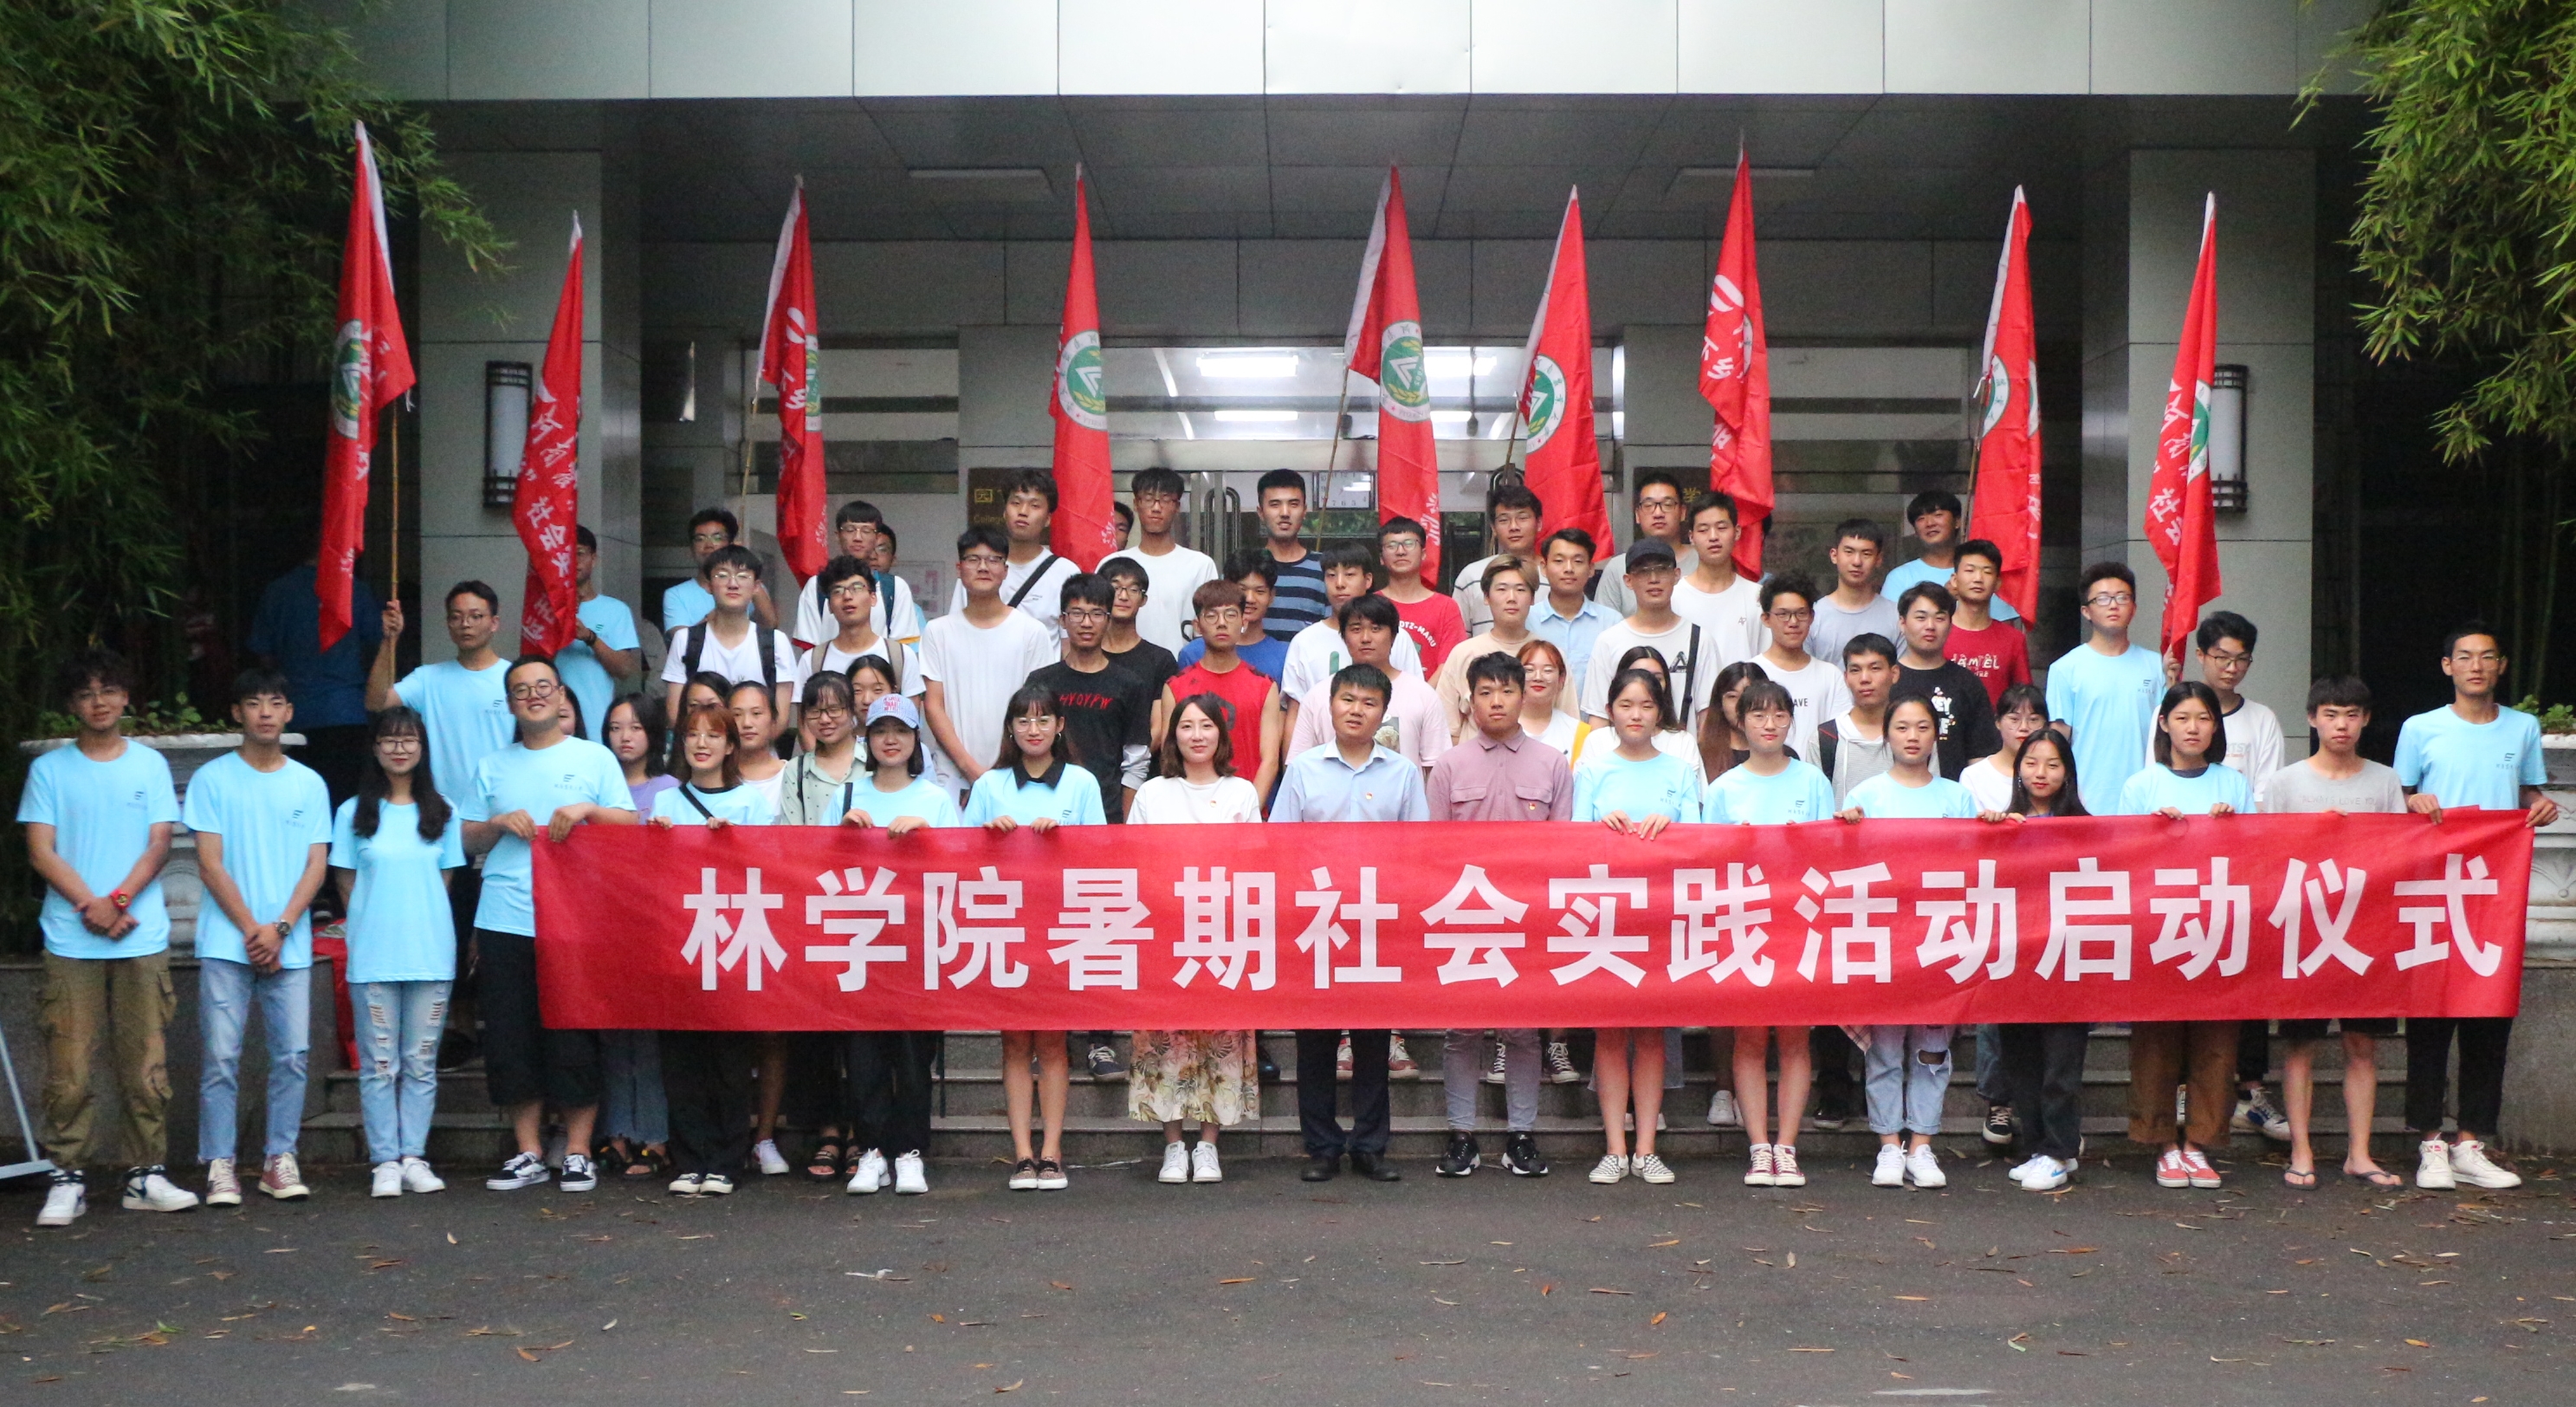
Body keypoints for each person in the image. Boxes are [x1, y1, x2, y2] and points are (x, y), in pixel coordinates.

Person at [23, 651, 199, 1227]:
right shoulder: (50, 771)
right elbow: (41, 850)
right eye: (86, 693)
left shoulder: (149, 765)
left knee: (145, 1063)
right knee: (69, 1065)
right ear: (72, 705)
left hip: (138, 936)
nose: (99, 702)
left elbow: (159, 843)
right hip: (71, 938)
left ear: (126, 698)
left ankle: (144, 1174)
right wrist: (92, 906)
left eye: (109, 691)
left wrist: (117, 902)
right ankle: (67, 1175)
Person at [461, 655, 638, 1194]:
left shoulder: (594, 757)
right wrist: (497, 823)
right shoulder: (492, 765)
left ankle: (579, 1150)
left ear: (562, 695)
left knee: (574, 1033)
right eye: (522, 690)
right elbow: (466, 838)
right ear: (511, 704)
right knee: (511, 1035)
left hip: (574, 916)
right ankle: (529, 1150)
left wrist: (587, 811)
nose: (534, 695)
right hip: (505, 916)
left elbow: (629, 824)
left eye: (543, 686)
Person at [2395, 621, 2559, 1191]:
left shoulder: (2522, 727)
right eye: (2464, 656)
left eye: (2487, 657)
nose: (2476, 666)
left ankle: (2471, 1143)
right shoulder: (2420, 728)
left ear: (2501, 666)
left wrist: (2540, 805)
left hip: (2494, 891)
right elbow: (2398, 798)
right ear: (2448, 666)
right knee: (2430, 1017)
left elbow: (2528, 792)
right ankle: (2429, 1142)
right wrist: (2413, 801)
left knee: (2490, 1014)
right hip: (2433, 890)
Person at [1273, 664, 1428, 1185]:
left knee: (1372, 1041)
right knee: (1315, 1042)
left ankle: (1369, 1145)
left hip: (1377, 920)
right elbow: (1280, 847)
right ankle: (1320, 1146)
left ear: (1383, 713)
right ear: (1330, 705)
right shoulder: (1303, 770)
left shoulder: (1403, 773)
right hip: (1315, 918)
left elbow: (1417, 850)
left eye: (1368, 702)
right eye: (1347, 700)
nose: (1356, 710)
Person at [185, 668, 333, 1206]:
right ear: (237, 713)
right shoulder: (212, 779)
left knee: (292, 1054)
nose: (265, 713)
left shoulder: (309, 783)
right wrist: (254, 930)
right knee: (221, 1057)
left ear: (289, 711)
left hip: (288, 941)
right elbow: (209, 863)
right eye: (253, 702)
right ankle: (219, 1163)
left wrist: (282, 928)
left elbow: (316, 866)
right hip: (228, 942)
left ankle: (279, 1158)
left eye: (275, 702)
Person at [1421, 652, 1570, 1179]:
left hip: (1528, 916)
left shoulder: (1553, 763)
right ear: (1470, 701)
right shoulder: (1449, 765)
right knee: (1462, 1030)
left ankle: (1521, 1136)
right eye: (1485, 692)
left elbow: (1564, 849)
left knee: (1523, 1031)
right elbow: (1432, 850)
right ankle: (1461, 1135)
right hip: (1465, 913)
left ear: (1523, 696)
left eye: (1507, 690)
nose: (1497, 701)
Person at [2256, 675, 2407, 1191]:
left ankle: (2359, 1153)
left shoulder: (2385, 781)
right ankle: (2301, 1150)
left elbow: (2400, 853)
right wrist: (2311, 833)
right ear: (2312, 719)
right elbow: (2265, 854)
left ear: (2365, 720)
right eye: (2331, 714)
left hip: (2365, 926)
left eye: (2351, 714)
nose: (2341, 724)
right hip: (2304, 927)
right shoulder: (2285, 783)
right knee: (2301, 1044)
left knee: (2362, 1043)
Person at [964, 686, 1107, 1191]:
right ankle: (1022, 1153)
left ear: (1060, 726)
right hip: (1005, 925)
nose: (1033, 729)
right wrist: (988, 835)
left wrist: (1065, 840)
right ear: (1010, 727)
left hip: (1061, 925)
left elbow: (1103, 855)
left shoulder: (1082, 783)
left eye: (1044, 719)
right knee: (1013, 1041)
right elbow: (959, 857)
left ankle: (1052, 1152)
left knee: (1052, 1040)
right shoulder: (990, 784)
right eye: (1023, 720)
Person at [1835, 694, 1978, 1190]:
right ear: (1887, 735)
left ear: (1936, 734)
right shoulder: (1867, 794)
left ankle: (1922, 1144)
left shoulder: (1957, 797)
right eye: (1901, 727)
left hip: (1940, 933)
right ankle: (1888, 1143)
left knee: (1932, 1048)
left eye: (1922, 726)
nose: (1912, 736)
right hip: (1886, 936)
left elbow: (1974, 865)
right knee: (1886, 1045)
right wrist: (1847, 829)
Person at [2116, 681, 2254, 1190]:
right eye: (2182, 718)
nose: (2193, 728)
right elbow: (2122, 859)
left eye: (2203, 718)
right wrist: (2152, 832)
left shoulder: (2233, 785)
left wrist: (2232, 828)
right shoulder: (2141, 786)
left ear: (2216, 727)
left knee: (2216, 1040)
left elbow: (2256, 856)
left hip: (2218, 926)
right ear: (2164, 724)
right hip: (2159, 927)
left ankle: (2199, 1143)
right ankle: (2162, 1144)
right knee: (2156, 1039)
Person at [1571, 667, 1702, 1186]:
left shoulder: (1680, 769)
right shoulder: (1592, 768)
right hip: (1608, 913)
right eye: (1626, 705)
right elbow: (1573, 844)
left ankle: (1646, 1149)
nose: (1636, 715)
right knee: (1610, 1032)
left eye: (1646, 706)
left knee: (1651, 1033)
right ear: (1610, 711)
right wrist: (1600, 831)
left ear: (1660, 713)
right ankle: (1614, 1148)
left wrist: (1672, 828)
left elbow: (1699, 841)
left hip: (1662, 914)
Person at [331, 707, 467, 1199]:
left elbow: (445, 880)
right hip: (373, 955)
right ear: (375, 748)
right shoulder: (353, 813)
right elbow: (346, 882)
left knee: (421, 1060)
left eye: (409, 739)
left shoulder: (444, 812)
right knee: (379, 1063)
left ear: (422, 748)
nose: (399, 748)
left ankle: (414, 1156)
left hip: (430, 953)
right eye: (389, 739)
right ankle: (384, 1160)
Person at [1704, 678, 1835, 1187]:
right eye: (1758, 715)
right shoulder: (1724, 788)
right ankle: (1759, 1146)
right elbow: (1705, 863)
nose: (1769, 724)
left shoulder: (1812, 782)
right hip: (1745, 923)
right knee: (1751, 1036)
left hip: (1800, 923)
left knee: (1796, 1037)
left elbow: (1829, 855)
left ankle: (1788, 1146)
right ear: (1741, 722)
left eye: (1779, 715)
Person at [1126, 695, 1263, 1184]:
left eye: (1207, 726)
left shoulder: (1241, 792)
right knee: (1165, 1039)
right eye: (1186, 726)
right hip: (1165, 929)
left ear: (1221, 735)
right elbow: (1133, 860)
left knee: (1221, 1036)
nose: (1197, 735)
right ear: (1173, 736)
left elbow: (1255, 861)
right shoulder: (1153, 793)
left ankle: (1208, 1145)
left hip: (1223, 930)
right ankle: (1172, 1145)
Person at [646, 703, 776, 1197]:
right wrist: (653, 843)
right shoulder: (665, 802)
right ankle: (689, 1158)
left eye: (713, 735)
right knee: (681, 1059)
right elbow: (647, 878)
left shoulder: (750, 803)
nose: (701, 744)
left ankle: (727, 1158)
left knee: (729, 1059)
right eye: (692, 735)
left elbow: (772, 870)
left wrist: (737, 845)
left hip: (733, 943)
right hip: (678, 943)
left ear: (729, 746)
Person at [838, 696, 963, 1197]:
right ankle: (871, 1150)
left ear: (915, 740)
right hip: (859, 943)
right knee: (863, 1056)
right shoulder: (847, 794)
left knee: (913, 1056)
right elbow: (815, 865)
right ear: (866, 739)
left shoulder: (934, 799)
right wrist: (842, 834)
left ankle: (909, 1151)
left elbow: (959, 868)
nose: (890, 740)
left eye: (901, 731)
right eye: (880, 730)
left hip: (916, 945)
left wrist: (927, 835)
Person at [2187, 611, 2292, 1146]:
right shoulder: (2175, 709)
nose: (2231, 668)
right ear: (2200, 656)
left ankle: (2251, 1089)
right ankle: (2185, 1087)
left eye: (2241, 659)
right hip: (2183, 871)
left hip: (2244, 865)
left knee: (2246, 974)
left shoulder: (2262, 720)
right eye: (2221, 657)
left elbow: (2269, 792)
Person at [1982, 729, 2090, 1191]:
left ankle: (2061, 1150)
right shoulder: (2002, 824)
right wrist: (1988, 833)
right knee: (2021, 1061)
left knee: (2061, 1064)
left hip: (2068, 961)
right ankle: (2038, 1148)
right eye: (2031, 763)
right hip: (2017, 959)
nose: (2040, 773)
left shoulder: (2087, 827)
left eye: (2052, 764)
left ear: (2068, 772)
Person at [597, 695, 673, 1182]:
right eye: (615, 727)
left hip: (652, 925)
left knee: (647, 1036)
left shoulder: (670, 790)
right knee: (610, 1032)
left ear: (653, 734)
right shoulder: (596, 786)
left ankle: (655, 1134)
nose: (624, 736)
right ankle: (617, 1130)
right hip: (602, 922)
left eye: (636, 727)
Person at [922, 527, 1058, 792]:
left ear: (1005, 570)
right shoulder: (938, 632)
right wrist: (970, 769)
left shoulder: (1032, 632)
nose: (983, 567)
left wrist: (1001, 773)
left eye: (993, 560)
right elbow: (933, 705)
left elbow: (1038, 707)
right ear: (959, 568)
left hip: (1018, 773)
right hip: (953, 776)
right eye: (973, 559)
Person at [248, 554, 380, 803]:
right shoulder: (356, 590)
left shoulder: (279, 591)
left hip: (295, 714)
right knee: (344, 804)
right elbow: (379, 645)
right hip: (347, 712)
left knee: (296, 803)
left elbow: (264, 655)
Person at [370, 582, 515, 807]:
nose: (465, 624)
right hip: (442, 809)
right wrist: (390, 640)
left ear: (494, 623)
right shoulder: (427, 679)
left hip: (503, 806)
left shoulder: (515, 679)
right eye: (456, 617)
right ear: (448, 623)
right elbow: (377, 703)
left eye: (476, 616)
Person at [1030, 573, 1155, 832]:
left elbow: (1136, 762)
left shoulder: (1130, 684)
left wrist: (1124, 825)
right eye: (1077, 613)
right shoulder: (1041, 681)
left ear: (1108, 620)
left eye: (1097, 614)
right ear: (1063, 620)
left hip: (1106, 811)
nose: (1086, 623)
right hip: (1045, 813)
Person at [1286, 594, 1453, 781]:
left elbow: (1436, 771)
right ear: (1343, 637)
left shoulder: (1423, 695)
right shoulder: (1318, 696)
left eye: (1376, 629)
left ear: (1393, 636)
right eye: (1356, 629)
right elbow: (1298, 769)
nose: (1365, 638)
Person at [2045, 561, 2164, 814]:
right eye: (2102, 599)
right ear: (2086, 611)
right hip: (2086, 800)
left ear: (2134, 608)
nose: (2113, 605)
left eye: (2122, 597)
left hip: (2147, 801)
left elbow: (2166, 734)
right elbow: (2058, 742)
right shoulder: (2065, 669)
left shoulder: (2157, 666)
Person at [1161, 580, 1285, 801]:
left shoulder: (1265, 686)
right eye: (1211, 616)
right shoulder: (1175, 687)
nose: (1221, 623)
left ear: (1243, 621)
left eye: (1230, 615)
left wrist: (1248, 810)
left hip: (1246, 808)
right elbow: (1169, 756)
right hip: (1190, 808)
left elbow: (1270, 761)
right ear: (1197, 625)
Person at [1581, 538, 1716, 732]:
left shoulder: (1699, 639)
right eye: (1643, 571)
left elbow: (1708, 717)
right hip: (1624, 750)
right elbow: (1598, 719)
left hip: (1682, 749)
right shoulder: (1609, 641)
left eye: (1662, 569)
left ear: (1676, 575)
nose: (1653, 579)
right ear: (1628, 580)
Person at [660, 544, 802, 727]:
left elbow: (780, 719)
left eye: (742, 576)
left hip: (756, 745)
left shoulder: (776, 642)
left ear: (756, 586)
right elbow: (675, 714)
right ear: (709, 585)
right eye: (722, 575)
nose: (733, 584)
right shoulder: (685, 640)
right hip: (703, 742)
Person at [1279, 543, 1424, 712]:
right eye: (1331, 575)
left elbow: (1416, 699)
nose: (1340, 584)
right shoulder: (1304, 641)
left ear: (1367, 580)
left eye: (1349, 574)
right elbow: (1295, 712)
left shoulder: (1396, 636)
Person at [949, 469, 1081, 639]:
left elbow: (1069, 644)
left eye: (1034, 505)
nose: (1023, 511)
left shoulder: (1065, 572)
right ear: (1005, 512)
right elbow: (955, 630)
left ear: (1048, 518)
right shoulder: (977, 569)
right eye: (1016, 503)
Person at [1890, 583, 2002, 781]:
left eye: (1940, 618)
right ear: (1902, 622)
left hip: (1954, 794)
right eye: (1921, 617)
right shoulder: (1887, 680)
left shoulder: (1967, 683)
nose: (1930, 626)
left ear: (1950, 625)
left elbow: (1980, 753)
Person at [1104, 467, 1219, 653]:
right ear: (1136, 503)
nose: (1156, 508)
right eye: (1149, 499)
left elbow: (1210, 627)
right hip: (1120, 665)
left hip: (1182, 666)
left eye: (1165, 500)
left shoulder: (1200, 565)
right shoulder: (1113, 564)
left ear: (1177, 506)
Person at [553, 526, 643, 746]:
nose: (573, 561)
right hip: (553, 726)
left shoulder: (616, 610)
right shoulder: (546, 609)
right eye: (566, 555)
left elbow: (624, 670)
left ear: (593, 559)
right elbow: (535, 663)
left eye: (580, 553)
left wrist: (590, 638)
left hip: (598, 724)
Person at [1433, 556, 1539, 738]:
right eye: (1502, 589)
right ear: (1486, 597)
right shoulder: (1464, 653)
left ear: (1532, 598)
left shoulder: (1549, 655)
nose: (1511, 598)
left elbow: (1568, 726)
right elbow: (1446, 731)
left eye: (1520, 590)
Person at [794, 500, 922, 650]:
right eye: (850, 530)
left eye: (866, 531)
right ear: (837, 536)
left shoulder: (895, 588)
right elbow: (809, 650)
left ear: (877, 537)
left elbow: (902, 651)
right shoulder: (817, 586)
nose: (858, 538)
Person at [1883, 490, 2023, 624]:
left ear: (1957, 522)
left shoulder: (1982, 573)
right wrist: (1946, 599)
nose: (1929, 523)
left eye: (1938, 515)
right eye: (1921, 519)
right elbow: (1892, 630)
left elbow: (2003, 631)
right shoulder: (1900, 577)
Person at [1753, 574, 1850, 767]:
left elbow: (1840, 736)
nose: (1793, 622)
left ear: (1812, 617)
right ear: (1766, 618)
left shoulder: (1830, 676)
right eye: (1783, 614)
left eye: (1801, 613)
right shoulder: (1752, 673)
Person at [1669, 492, 1769, 671]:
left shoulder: (1757, 597)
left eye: (1722, 528)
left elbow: (1768, 662)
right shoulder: (1675, 597)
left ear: (1736, 532)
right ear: (1691, 537)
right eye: (1703, 530)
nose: (1713, 536)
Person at [804, 554, 922, 687]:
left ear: (873, 598)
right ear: (829, 606)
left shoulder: (901, 657)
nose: (847, 596)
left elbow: (910, 701)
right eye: (838, 591)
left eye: (857, 588)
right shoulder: (812, 661)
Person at [1573, 646, 1700, 768]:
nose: (1645, 684)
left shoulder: (1682, 742)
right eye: (1637, 675)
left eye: (1656, 679)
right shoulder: (1598, 741)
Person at [1592, 471, 1697, 616]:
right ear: (1637, 515)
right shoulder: (1618, 568)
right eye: (1649, 505)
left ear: (1683, 512)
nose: (1658, 513)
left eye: (1667, 504)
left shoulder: (1703, 562)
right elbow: (1604, 624)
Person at [1941, 539, 2031, 708]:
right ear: (1954, 580)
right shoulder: (1937, 633)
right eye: (1970, 570)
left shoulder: (2013, 640)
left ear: (1997, 583)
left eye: (1987, 572)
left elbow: (2024, 699)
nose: (1978, 578)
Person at [1178, 554, 1291, 684]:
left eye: (1260, 591)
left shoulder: (1284, 656)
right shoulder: (1193, 653)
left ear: (1271, 596)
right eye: (1242, 590)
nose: (1250, 599)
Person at [1450, 483, 1546, 635]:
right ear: (1494, 528)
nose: (1514, 527)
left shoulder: (1557, 576)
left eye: (1522, 518)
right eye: (1504, 520)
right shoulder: (1471, 576)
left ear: (1539, 523)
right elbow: (1459, 637)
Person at [1816, 634, 1900, 805]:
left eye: (1875, 668)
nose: (1865, 679)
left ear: (1894, 674)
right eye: (1855, 670)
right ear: (1846, 677)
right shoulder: (1826, 737)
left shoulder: (1913, 733)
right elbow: (1816, 804)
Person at [663, 508, 777, 633]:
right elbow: (681, 639)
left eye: (717, 538)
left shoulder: (749, 586)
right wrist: (720, 615)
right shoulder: (676, 594)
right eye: (700, 539)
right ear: (691, 548)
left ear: (731, 544)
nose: (709, 545)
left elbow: (769, 626)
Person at [1376, 516, 1467, 673]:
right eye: (1391, 546)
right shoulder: (1370, 605)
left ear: (1423, 553)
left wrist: (1422, 690)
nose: (1401, 552)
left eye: (1409, 544)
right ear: (1381, 558)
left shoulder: (1446, 607)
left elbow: (1451, 664)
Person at [1805, 518, 1900, 667]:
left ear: (1879, 559)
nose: (1857, 562)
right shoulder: (1813, 616)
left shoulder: (1897, 617)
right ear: (1834, 555)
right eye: (1849, 552)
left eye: (1866, 554)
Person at [1531, 527, 1618, 687]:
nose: (1569, 569)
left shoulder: (1611, 622)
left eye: (1578, 561)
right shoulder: (1528, 621)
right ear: (1544, 567)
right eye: (1559, 561)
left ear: (1591, 569)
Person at [1254, 468, 1331, 634]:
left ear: (1304, 511)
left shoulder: (1327, 568)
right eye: (1275, 505)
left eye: (1293, 504)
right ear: (1261, 512)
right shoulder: (1244, 567)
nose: (1285, 513)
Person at [1098, 555, 1182, 703]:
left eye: (1133, 589)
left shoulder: (1161, 661)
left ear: (1143, 600)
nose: (1123, 596)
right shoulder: (1086, 655)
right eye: (1116, 588)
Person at [1963, 684, 2048, 815]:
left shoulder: (2054, 773)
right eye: (2014, 719)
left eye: (2033, 720)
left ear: (2045, 724)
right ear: (1998, 722)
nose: (2024, 727)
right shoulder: (1974, 776)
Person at [1695, 660, 1770, 782]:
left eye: (1748, 696)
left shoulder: (1783, 756)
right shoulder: (1699, 755)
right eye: (1732, 697)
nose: (1740, 705)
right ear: (1720, 703)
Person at [1515, 639, 1582, 756]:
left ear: (1561, 679)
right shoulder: (1501, 726)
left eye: (1548, 670)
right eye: (1529, 670)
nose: (1538, 677)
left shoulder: (1578, 731)